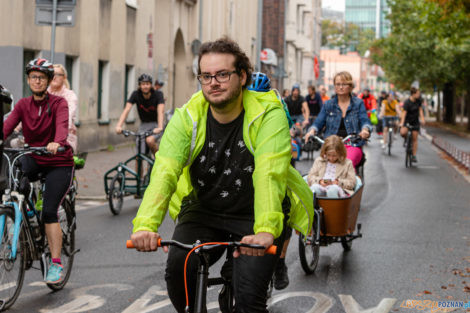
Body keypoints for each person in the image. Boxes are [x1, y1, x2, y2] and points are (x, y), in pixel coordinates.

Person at [130, 38, 313, 313]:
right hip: (204, 209)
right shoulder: (187, 116)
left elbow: (269, 172)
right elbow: (164, 170)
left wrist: (265, 230)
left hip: (255, 214)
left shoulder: (268, 113)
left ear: (242, 77)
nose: (213, 82)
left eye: (222, 74)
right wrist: (145, 224)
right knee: (179, 274)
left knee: (250, 300)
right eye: (206, 76)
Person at [3, 58, 74, 284]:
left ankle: (55, 263)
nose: (37, 80)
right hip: (33, 157)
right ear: (28, 80)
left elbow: (62, 125)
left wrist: (57, 141)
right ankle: (23, 224)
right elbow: (7, 126)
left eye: (41, 77)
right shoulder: (23, 105)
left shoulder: (58, 104)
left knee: (50, 211)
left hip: (58, 160)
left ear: (48, 81)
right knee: (14, 187)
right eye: (33, 77)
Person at [304, 71, 372, 168]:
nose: (340, 87)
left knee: (347, 164)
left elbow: (365, 121)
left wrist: (365, 130)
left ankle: (351, 182)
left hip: (352, 144)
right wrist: (312, 131)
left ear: (350, 86)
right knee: (320, 168)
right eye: (338, 84)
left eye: (344, 84)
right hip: (331, 144)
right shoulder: (328, 104)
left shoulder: (358, 103)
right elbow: (318, 122)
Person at [115, 74, 165, 155]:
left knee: (149, 140)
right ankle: (138, 167)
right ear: (139, 85)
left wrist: (160, 127)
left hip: (156, 124)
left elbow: (160, 111)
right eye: (143, 84)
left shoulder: (158, 94)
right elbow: (126, 110)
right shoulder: (135, 94)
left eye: (147, 84)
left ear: (151, 85)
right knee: (138, 149)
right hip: (144, 125)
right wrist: (119, 126)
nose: (145, 86)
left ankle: (159, 160)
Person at [47, 64, 78, 153]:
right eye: (51, 74)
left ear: (64, 77)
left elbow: (67, 117)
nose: (54, 77)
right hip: (45, 137)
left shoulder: (70, 96)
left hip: (66, 138)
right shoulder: (44, 94)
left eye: (57, 74)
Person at [400, 87, 425, 162]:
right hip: (407, 121)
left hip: (415, 121)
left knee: (415, 138)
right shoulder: (407, 102)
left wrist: (422, 119)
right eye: (418, 93)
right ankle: (406, 140)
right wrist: (402, 123)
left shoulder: (418, 101)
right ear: (413, 94)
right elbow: (404, 113)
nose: (419, 95)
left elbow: (420, 111)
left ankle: (414, 155)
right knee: (403, 133)